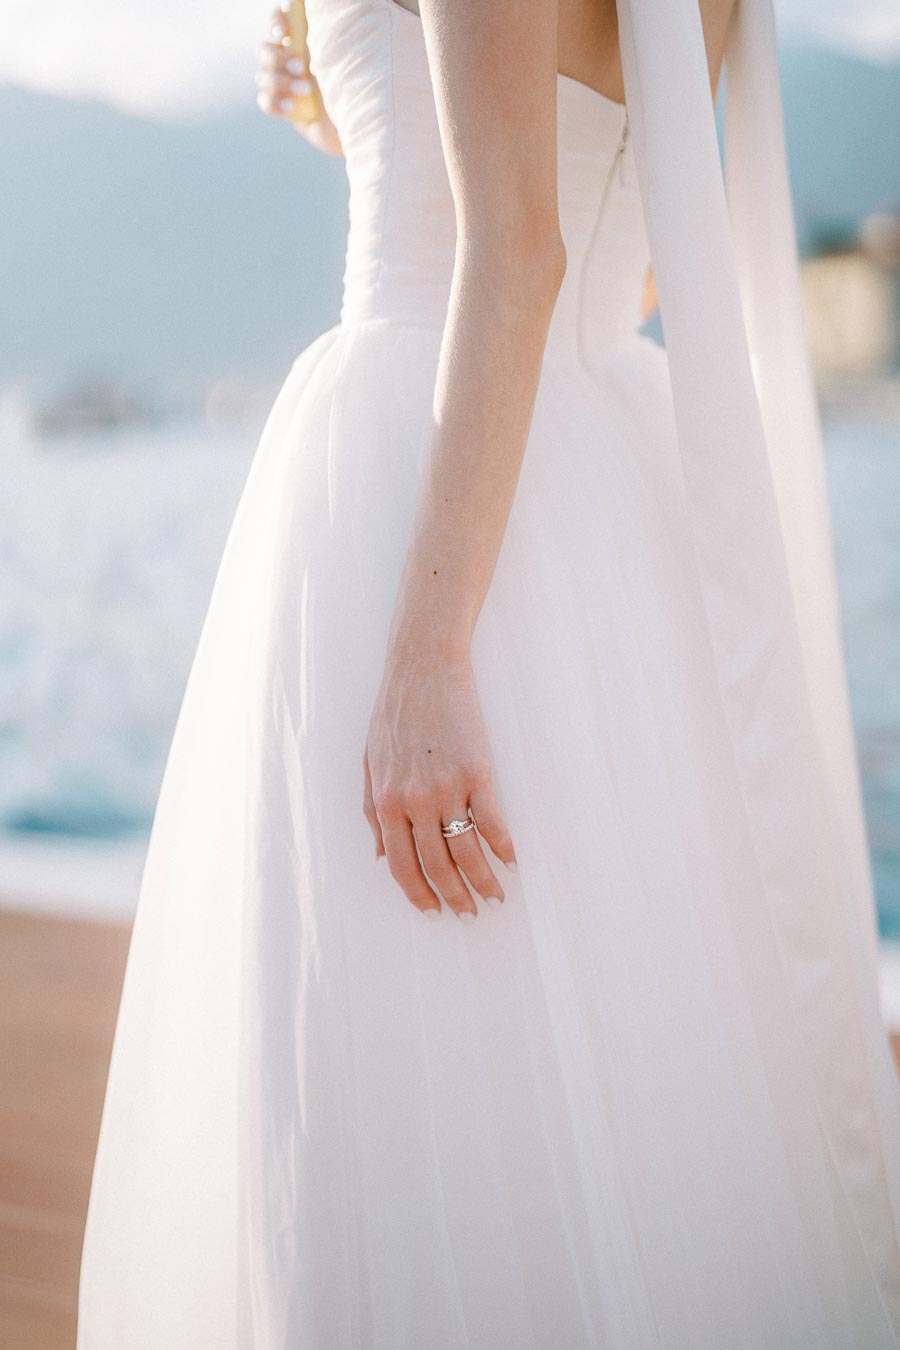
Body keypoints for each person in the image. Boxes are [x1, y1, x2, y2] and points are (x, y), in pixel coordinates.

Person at [77, 1, 900, 1346]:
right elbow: (611, 257)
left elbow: (514, 249)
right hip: (613, 503)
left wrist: (426, 655)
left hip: (427, 506)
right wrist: (366, 118)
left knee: (400, 1068)